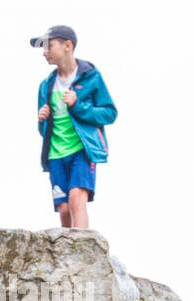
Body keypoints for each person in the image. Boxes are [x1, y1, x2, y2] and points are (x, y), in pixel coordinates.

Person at [32, 25, 117, 229]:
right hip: (55, 154)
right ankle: (65, 252)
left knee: (76, 198)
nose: (44, 52)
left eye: (48, 46)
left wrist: (78, 105)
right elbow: (44, 131)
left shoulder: (91, 77)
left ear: (67, 45)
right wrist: (42, 120)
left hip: (82, 149)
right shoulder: (46, 85)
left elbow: (109, 113)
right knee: (63, 208)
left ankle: (81, 249)